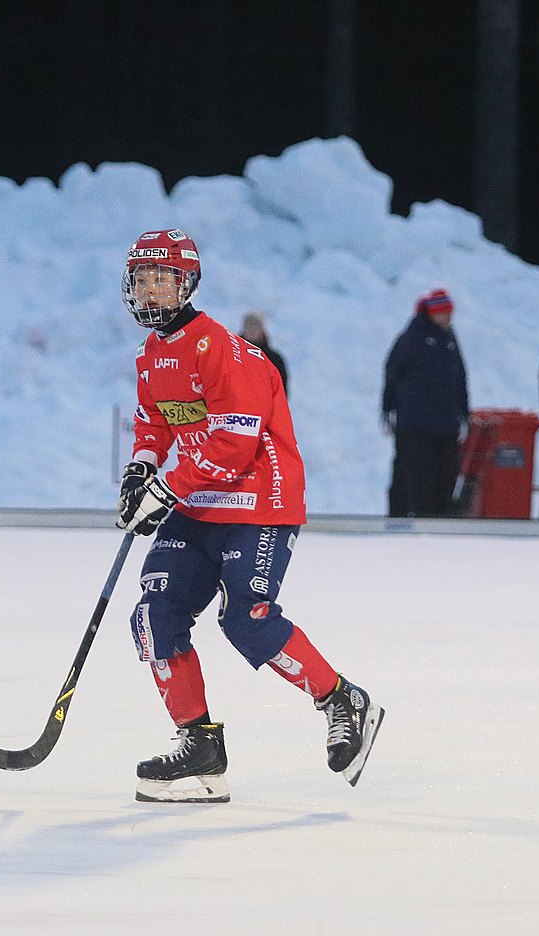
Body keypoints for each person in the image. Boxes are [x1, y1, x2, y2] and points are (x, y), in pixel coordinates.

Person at [115, 228, 383, 803]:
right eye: (142, 278)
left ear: (186, 284)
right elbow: (155, 421)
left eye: (162, 278)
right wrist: (141, 468)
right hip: (199, 500)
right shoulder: (150, 356)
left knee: (246, 618)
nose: (150, 289)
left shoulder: (222, 351)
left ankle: (342, 699)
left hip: (259, 499)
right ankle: (201, 748)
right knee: (155, 612)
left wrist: (165, 488)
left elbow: (234, 444)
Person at [381, 287, 470, 517]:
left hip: (446, 423)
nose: (448, 317)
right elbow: (392, 373)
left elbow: (460, 377)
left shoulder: (450, 338)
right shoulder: (412, 338)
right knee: (416, 474)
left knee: (447, 473)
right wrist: (388, 409)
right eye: (444, 312)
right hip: (415, 423)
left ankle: (439, 518)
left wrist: (463, 412)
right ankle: (409, 518)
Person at [239, 310, 289, 396]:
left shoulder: (274, 359)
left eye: (255, 325)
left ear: (262, 329)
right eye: (248, 325)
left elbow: (281, 392)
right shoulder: (233, 354)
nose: (252, 329)